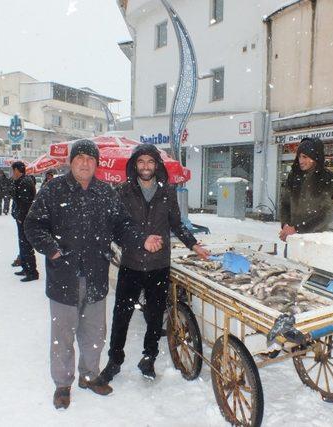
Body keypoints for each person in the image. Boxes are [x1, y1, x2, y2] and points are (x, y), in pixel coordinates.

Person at [23, 139, 163, 410]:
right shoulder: (54, 189)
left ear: (96, 164)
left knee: (95, 333)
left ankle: (89, 375)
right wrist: (51, 250)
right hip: (63, 277)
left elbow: (122, 225)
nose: (85, 163)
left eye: (90, 159)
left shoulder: (105, 192)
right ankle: (63, 384)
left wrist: (142, 239)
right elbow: (33, 224)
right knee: (62, 335)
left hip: (96, 275)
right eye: (80, 158)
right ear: (71, 162)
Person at [98, 144, 210, 384]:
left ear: (157, 165)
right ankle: (114, 361)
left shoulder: (167, 192)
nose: (146, 166)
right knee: (121, 316)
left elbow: (177, 224)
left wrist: (193, 244)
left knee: (155, 314)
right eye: (141, 162)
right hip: (132, 264)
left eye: (150, 162)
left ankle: (148, 357)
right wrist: (140, 241)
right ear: (134, 165)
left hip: (159, 265)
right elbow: (116, 228)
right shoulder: (123, 192)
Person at [279, 137, 333, 241]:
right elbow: (285, 203)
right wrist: (285, 225)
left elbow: (326, 213)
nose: (300, 161)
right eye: (299, 157)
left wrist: (297, 228)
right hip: (293, 237)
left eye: (305, 157)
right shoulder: (293, 176)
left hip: (315, 238)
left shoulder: (327, 178)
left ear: (315, 157)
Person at [11, 161, 39, 282]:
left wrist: (20, 217)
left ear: (18, 170)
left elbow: (26, 204)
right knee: (23, 244)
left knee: (26, 245)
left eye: (13, 170)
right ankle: (26, 268)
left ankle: (32, 272)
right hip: (22, 218)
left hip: (25, 219)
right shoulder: (21, 181)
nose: (12, 173)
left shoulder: (25, 182)